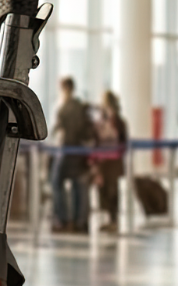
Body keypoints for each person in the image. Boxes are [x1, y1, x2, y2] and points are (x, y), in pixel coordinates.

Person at [50, 75, 94, 233]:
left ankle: (63, 219)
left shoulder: (65, 107)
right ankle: (79, 222)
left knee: (56, 183)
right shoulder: (80, 106)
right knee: (78, 187)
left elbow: (58, 129)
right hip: (79, 151)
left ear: (65, 88)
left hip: (66, 151)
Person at [93, 90, 127, 232]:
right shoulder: (102, 119)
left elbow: (123, 140)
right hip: (103, 160)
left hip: (113, 160)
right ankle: (108, 219)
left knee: (112, 190)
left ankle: (114, 219)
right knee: (103, 189)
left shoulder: (118, 121)